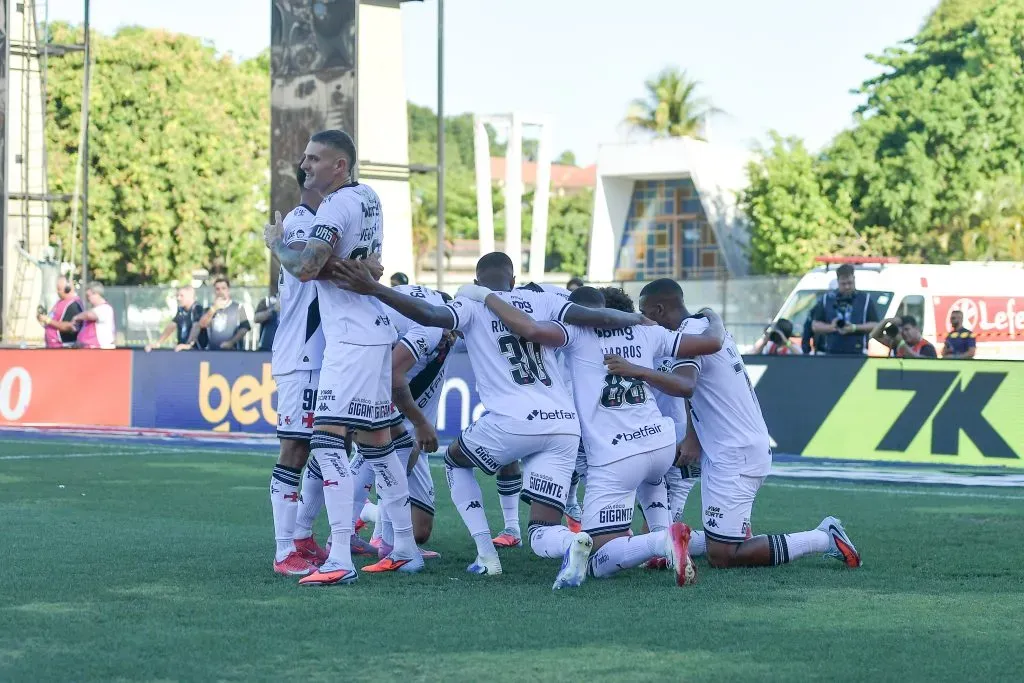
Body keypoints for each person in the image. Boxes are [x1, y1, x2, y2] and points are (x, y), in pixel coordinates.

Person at [331, 251, 650, 585]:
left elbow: (427, 313)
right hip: (563, 424)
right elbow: (593, 316)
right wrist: (635, 319)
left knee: (455, 461)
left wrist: (376, 289)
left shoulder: (469, 304)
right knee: (542, 530)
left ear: (475, 281)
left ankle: (486, 555)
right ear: (513, 281)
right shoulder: (538, 299)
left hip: (513, 420)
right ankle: (573, 541)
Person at [470, 284, 727, 588]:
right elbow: (711, 343)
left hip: (617, 455)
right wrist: (712, 315)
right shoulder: (648, 331)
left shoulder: (576, 333)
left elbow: (526, 328)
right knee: (652, 480)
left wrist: (484, 296)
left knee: (596, 559)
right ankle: (670, 540)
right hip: (660, 444)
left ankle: (661, 542)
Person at [270, 128, 422, 586]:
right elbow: (357, 263)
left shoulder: (332, 207)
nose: (306, 165)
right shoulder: (370, 196)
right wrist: (360, 267)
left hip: (349, 340)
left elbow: (307, 265)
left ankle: (337, 557)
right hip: (373, 330)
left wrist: (275, 242)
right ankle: (405, 549)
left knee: (328, 442)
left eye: (315, 159)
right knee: (379, 444)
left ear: (341, 165)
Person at [638, 278, 862, 571]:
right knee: (724, 542)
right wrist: (693, 436)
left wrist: (636, 371)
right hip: (735, 448)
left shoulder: (690, 335)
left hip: (735, 453)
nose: (644, 324)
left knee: (724, 556)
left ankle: (822, 538)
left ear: (659, 309)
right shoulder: (701, 329)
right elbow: (699, 392)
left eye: (645, 316)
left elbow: (685, 385)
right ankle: (662, 544)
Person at [264, 165, 330, 577]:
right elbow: (311, 266)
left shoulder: (321, 220)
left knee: (328, 448)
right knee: (296, 449)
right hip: (303, 357)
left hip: (325, 357)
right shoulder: (302, 220)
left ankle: (303, 535)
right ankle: (285, 549)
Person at [354, 284, 451, 559]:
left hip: (415, 430)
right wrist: (420, 423)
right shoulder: (428, 328)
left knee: (420, 529)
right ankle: (371, 538)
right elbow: (393, 376)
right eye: (450, 330)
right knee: (385, 459)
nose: (452, 338)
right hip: (392, 413)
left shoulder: (431, 331)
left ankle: (369, 516)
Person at [810, 264, 880, 355]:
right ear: (838, 281)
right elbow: (815, 325)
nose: (847, 287)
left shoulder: (865, 299)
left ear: (854, 279)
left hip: (858, 352)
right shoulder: (826, 299)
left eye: (850, 283)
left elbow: (875, 325)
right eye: (843, 284)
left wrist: (854, 328)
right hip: (831, 352)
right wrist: (831, 327)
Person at [195, 278, 250, 350]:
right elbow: (202, 325)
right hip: (212, 351)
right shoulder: (209, 309)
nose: (220, 291)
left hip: (233, 352)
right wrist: (213, 309)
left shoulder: (238, 307)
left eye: (223, 288)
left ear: (228, 290)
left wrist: (231, 342)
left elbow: (244, 328)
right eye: (217, 289)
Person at [145, 286, 206, 352]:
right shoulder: (181, 310)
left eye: (181, 296)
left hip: (196, 351)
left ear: (190, 296)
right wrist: (158, 343)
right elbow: (172, 325)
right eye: (177, 295)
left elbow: (196, 327)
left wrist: (188, 345)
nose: (178, 298)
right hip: (182, 349)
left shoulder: (197, 308)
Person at [38, 276, 83, 348]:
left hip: (63, 346)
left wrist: (48, 320)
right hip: (52, 345)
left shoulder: (73, 305)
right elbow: (53, 319)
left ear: (67, 289)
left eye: (59, 289)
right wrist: (43, 318)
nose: (57, 292)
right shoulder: (61, 301)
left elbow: (70, 326)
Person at [72, 282, 116, 349]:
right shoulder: (94, 309)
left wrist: (76, 317)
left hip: (101, 348)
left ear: (96, 294)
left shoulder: (105, 308)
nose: (87, 299)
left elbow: (90, 315)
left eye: (88, 295)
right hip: (89, 348)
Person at [871, 315, 936, 359]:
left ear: (917, 329)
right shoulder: (898, 344)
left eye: (907, 329)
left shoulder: (927, 347)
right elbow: (874, 335)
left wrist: (902, 344)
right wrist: (886, 321)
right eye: (902, 330)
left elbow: (920, 361)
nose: (904, 333)